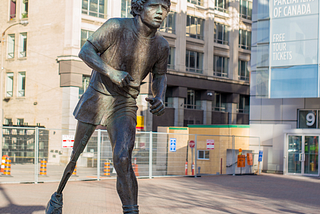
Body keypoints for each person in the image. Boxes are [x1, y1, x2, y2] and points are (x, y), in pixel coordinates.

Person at [46, 0, 171, 213]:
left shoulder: (161, 46)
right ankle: (57, 196)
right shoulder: (116, 26)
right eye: (154, 5)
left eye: (165, 8)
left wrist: (159, 96)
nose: (160, 12)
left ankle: (131, 211)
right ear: (140, 7)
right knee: (75, 156)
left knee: (123, 158)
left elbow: (160, 75)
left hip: (125, 103)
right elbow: (86, 51)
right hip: (97, 96)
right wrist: (110, 72)